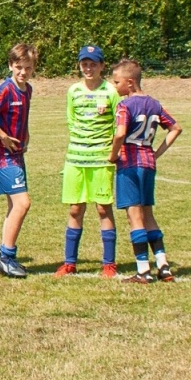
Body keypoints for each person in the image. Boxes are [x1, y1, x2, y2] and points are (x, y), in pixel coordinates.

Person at [110, 59, 183, 283]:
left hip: (130, 164)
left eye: (117, 82)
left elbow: (121, 133)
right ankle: (163, 265)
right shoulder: (154, 104)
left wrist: (113, 154)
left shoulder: (125, 105)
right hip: (148, 163)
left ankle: (143, 270)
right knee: (148, 214)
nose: (114, 87)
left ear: (130, 83)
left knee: (134, 216)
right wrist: (157, 152)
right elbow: (175, 128)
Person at [56, 45, 120, 278]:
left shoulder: (111, 91)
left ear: (102, 66)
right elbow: (71, 120)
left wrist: (110, 152)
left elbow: (117, 125)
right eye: (84, 64)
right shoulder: (73, 91)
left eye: (93, 64)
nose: (88, 68)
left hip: (101, 160)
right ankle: (70, 263)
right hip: (76, 159)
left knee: (103, 209)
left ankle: (109, 264)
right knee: (75, 209)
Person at [0, 43, 38, 279]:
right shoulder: (5, 89)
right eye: (18, 67)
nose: (22, 72)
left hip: (17, 153)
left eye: (28, 68)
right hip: (1, 154)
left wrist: (26, 134)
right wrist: (2, 136)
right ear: (10, 65)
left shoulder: (27, 89)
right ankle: (5, 257)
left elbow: (23, 115)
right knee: (23, 203)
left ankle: (7, 258)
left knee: (15, 206)